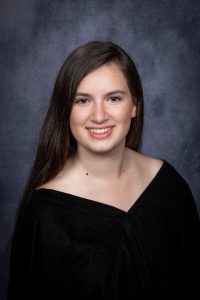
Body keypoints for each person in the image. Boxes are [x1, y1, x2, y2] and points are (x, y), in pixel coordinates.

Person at [7, 41, 200, 300]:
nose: (99, 116)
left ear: (135, 106)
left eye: (113, 98)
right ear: (66, 112)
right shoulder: (43, 215)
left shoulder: (168, 185)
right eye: (83, 100)